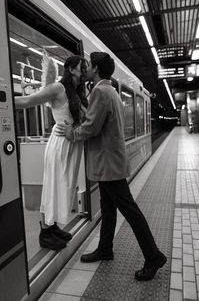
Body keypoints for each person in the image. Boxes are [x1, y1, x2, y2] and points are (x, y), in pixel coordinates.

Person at [55, 52, 167, 281]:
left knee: (130, 211)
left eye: (88, 66)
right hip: (110, 162)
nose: (85, 69)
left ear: (95, 69)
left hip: (108, 164)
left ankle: (153, 256)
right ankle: (105, 249)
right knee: (108, 210)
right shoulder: (111, 90)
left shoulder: (99, 91)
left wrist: (71, 133)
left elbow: (91, 128)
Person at [15, 55, 88, 251]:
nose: (86, 70)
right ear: (71, 69)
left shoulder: (77, 92)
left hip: (72, 145)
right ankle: (45, 232)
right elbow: (28, 100)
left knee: (64, 187)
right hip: (60, 145)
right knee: (53, 186)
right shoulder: (58, 88)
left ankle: (53, 226)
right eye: (83, 67)